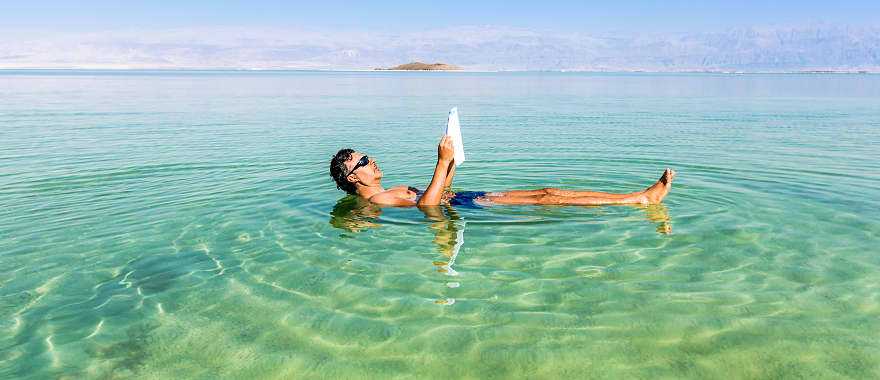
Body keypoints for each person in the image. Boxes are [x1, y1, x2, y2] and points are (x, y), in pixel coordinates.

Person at [329, 136, 675, 208]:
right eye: (362, 162)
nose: (371, 161)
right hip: (468, 205)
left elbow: (437, 192)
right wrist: (439, 161)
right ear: (353, 178)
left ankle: (638, 197)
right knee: (546, 198)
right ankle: (638, 199)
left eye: (367, 156)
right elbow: (429, 207)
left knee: (546, 191)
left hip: (462, 198)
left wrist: (451, 161)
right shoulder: (377, 201)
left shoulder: (389, 190)